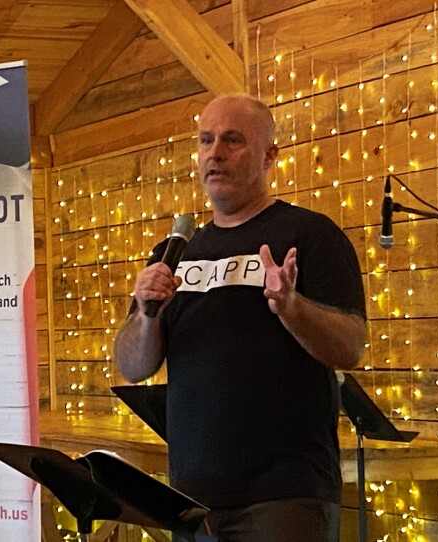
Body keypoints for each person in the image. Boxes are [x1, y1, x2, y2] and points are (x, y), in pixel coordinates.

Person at [114, 94, 367, 542]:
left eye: (233, 141)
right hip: (193, 500)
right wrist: (148, 315)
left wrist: (292, 308)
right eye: (206, 141)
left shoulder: (308, 234)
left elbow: (349, 347)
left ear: (270, 155)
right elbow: (133, 366)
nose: (215, 153)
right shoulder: (172, 254)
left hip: (284, 495)